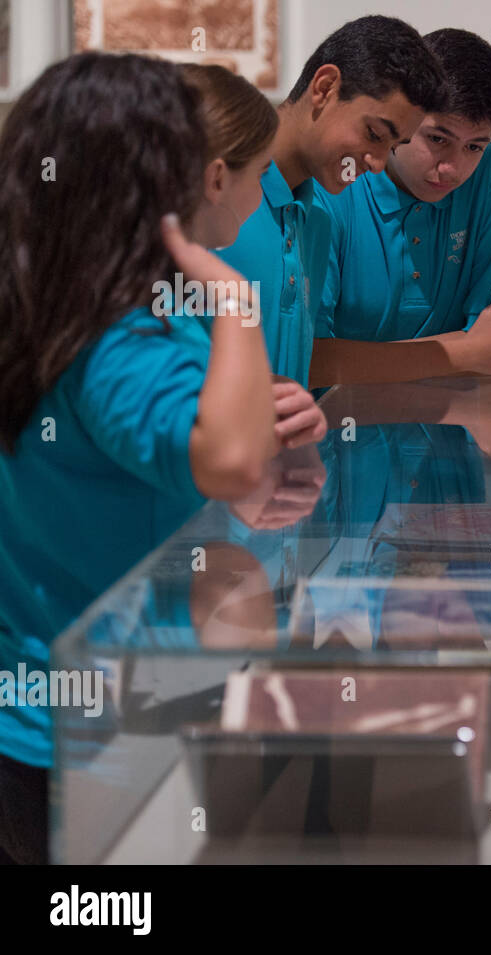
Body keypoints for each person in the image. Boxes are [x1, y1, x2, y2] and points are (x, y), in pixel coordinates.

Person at [0, 53, 283, 864]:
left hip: (39, 707)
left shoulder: (44, 300)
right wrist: (235, 300)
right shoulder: (117, 329)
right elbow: (227, 460)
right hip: (112, 729)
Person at [217, 15, 446, 387]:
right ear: (324, 87)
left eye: (391, 147)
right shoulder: (208, 196)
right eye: (373, 133)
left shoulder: (316, 223)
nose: (375, 164)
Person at [310, 28, 491, 386]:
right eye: (437, 139)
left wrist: (365, 359)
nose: (452, 169)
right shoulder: (336, 179)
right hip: (334, 432)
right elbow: (308, 361)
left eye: (474, 146)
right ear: (403, 118)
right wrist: (462, 351)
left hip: (451, 429)